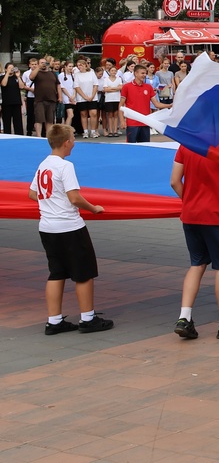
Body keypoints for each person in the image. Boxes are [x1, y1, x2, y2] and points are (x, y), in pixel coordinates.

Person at [28, 124, 113, 335]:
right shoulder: (65, 166)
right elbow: (74, 197)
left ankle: (54, 321)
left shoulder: (43, 165)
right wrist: (94, 209)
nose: (74, 142)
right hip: (69, 226)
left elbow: (32, 193)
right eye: (73, 139)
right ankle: (87, 318)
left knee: (56, 273)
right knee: (83, 273)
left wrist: (50, 201)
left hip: (47, 226)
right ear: (66, 143)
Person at [170, 145, 219, 341]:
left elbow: (174, 181)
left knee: (196, 264)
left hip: (191, 214)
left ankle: (184, 317)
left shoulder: (185, 144)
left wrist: (189, 200)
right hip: (217, 216)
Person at [120, 62, 162, 143]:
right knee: (131, 147)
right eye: (142, 73)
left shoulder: (148, 87)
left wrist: (171, 105)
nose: (144, 75)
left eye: (145, 73)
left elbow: (156, 104)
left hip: (145, 122)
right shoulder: (126, 87)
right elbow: (121, 105)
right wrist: (122, 121)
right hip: (132, 123)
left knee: (145, 147)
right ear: (135, 73)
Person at [30, 58, 60, 139]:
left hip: (52, 99)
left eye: (45, 62)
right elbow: (31, 77)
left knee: (50, 120)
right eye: (41, 63)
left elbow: (58, 85)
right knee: (39, 119)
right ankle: (39, 136)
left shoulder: (52, 73)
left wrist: (60, 97)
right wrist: (38, 68)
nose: (44, 64)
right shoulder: (37, 73)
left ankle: (48, 136)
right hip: (40, 100)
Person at [72, 58, 99, 139]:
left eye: (80, 65)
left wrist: (92, 96)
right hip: (82, 98)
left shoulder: (91, 73)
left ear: (84, 65)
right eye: (77, 66)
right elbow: (77, 87)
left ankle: (93, 131)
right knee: (83, 114)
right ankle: (85, 131)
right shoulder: (77, 75)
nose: (79, 67)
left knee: (93, 113)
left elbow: (95, 85)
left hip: (92, 97)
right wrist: (84, 96)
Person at [1, 62, 23, 135]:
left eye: (12, 68)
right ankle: (7, 135)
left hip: (16, 102)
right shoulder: (2, 77)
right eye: (9, 68)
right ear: (6, 69)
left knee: (18, 122)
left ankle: (19, 135)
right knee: (7, 121)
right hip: (6, 103)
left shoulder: (16, 77)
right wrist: (7, 74)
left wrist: (18, 76)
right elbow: (4, 84)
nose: (11, 69)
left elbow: (22, 87)